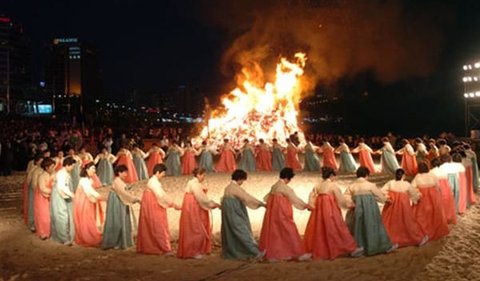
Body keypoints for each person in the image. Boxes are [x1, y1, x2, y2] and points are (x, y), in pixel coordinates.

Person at [304, 167, 363, 260]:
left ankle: (320, 250)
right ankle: (350, 248)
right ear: (331, 175)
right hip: (330, 209)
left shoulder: (318, 185)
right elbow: (340, 199)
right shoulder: (332, 186)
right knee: (337, 227)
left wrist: (311, 205)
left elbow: (311, 196)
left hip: (319, 211)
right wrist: (349, 205)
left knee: (320, 228)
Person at [259, 167, 311, 262]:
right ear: (287, 178)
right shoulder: (285, 188)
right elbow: (294, 199)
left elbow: (267, 198)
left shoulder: (275, 186)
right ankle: (296, 253)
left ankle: (276, 253)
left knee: (275, 232)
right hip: (282, 212)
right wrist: (306, 206)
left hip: (273, 213)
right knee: (289, 230)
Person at [344, 167, 397, 256]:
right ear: (366, 175)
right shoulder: (370, 185)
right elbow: (378, 195)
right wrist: (386, 200)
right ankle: (381, 246)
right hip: (370, 209)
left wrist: (351, 204)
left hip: (357, 209)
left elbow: (345, 196)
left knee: (358, 226)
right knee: (373, 225)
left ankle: (358, 248)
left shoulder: (352, 186)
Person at [221, 169, 266, 259]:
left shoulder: (228, 187)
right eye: (242, 180)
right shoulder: (235, 188)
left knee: (231, 232)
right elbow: (247, 198)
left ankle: (235, 251)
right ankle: (255, 252)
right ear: (240, 179)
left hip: (228, 214)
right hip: (235, 213)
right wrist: (261, 204)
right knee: (242, 231)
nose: (242, 182)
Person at [137, 164, 181, 255]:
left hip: (149, 202)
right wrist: (172, 204)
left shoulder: (153, 181)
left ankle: (153, 246)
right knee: (158, 224)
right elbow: (161, 195)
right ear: (157, 172)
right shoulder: (154, 182)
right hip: (152, 204)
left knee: (152, 224)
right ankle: (163, 248)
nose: (163, 176)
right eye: (162, 174)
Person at [177, 168, 220, 259]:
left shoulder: (192, 183)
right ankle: (194, 251)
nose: (204, 177)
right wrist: (213, 204)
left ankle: (193, 250)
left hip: (190, 206)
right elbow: (202, 199)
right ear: (198, 175)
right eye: (203, 175)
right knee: (196, 228)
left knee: (191, 228)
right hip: (193, 207)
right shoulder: (195, 185)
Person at [381, 169, 428, 247]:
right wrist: (418, 197)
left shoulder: (390, 183)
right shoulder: (406, 184)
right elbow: (413, 194)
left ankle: (389, 239)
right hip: (404, 206)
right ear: (403, 176)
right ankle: (416, 239)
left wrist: (388, 197)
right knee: (408, 221)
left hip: (392, 207)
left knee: (391, 222)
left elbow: (382, 191)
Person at [101, 165, 141, 250]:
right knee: (117, 220)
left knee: (121, 219)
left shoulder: (119, 181)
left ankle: (121, 240)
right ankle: (116, 241)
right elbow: (123, 193)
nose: (126, 174)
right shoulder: (117, 181)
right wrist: (135, 199)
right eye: (124, 172)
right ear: (119, 173)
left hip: (119, 200)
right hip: (117, 201)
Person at [411, 162, 449, 241]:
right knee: (434, 213)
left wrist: (416, 195)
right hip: (433, 197)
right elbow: (438, 186)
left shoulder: (417, 177)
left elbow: (412, 188)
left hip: (422, 198)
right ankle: (435, 229)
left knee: (422, 215)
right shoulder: (432, 175)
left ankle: (424, 231)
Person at [73, 162, 105, 247]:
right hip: (83, 201)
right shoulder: (84, 180)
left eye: (94, 168)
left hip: (88, 200)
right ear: (87, 170)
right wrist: (100, 197)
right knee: (86, 218)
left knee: (90, 217)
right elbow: (89, 191)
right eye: (92, 169)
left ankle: (90, 234)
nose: (94, 170)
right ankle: (87, 237)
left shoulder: (89, 179)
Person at [50, 157, 77, 245]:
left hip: (64, 196)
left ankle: (66, 235)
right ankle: (63, 238)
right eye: (72, 166)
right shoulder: (61, 174)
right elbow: (62, 187)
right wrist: (72, 195)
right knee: (62, 216)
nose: (73, 168)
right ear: (67, 165)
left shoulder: (66, 173)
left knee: (66, 215)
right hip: (59, 196)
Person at [33, 157, 56, 239]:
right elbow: (42, 188)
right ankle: (43, 232)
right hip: (42, 197)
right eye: (52, 167)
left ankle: (49, 231)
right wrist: (52, 191)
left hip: (49, 196)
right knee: (43, 215)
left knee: (49, 215)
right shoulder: (42, 176)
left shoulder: (52, 175)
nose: (53, 168)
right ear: (46, 167)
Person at [430, 158, 456, 224]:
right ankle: (447, 216)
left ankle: (440, 218)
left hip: (437, 188)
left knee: (438, 203)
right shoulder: (443, 170)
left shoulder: (431, 172)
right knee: (447, 202)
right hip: (446, 187)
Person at [24, 154, 42, 230]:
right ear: (36, 162)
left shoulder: (41, 169)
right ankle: (32, 223)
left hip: (39, 190)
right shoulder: (34, 170)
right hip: (34, 190)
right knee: (32, 206)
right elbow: (29, 181)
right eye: (40, 161)